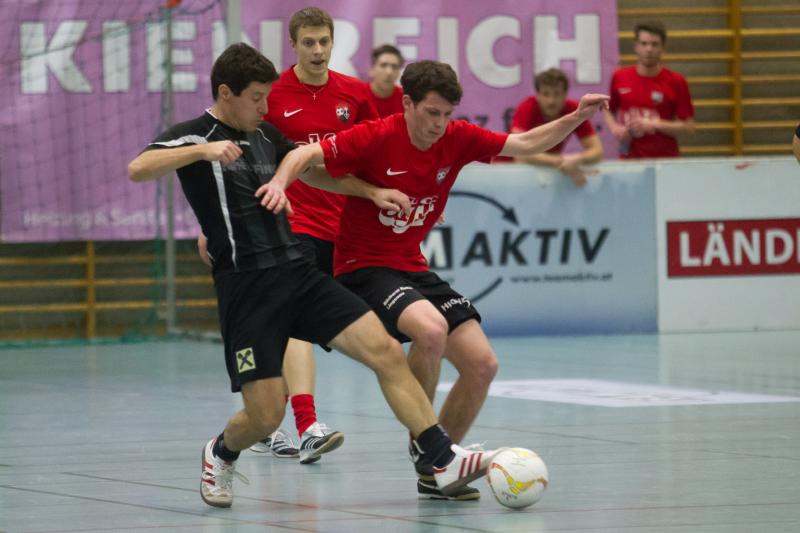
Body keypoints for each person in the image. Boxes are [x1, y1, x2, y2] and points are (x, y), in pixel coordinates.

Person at [128, 43, 499, 509]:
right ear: (225, 93)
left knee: (385, 351)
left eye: (268, 97)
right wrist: (202, 151)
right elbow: (138, 168)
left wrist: (372, 191)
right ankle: (221, 452)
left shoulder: (266, 135)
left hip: (297, 272)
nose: (265, 108)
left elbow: (316, 173)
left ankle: (439, 458)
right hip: (247, 287)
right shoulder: (194, 135)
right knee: (265, 415)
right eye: (257, 98)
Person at [258, 60, 609, 500]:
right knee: (430, 329)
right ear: (407, 104)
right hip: (363, 267)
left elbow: (523, 142)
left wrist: (576, 117)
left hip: (411, 265)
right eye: (431, 113)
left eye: (446, 114)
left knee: (482, 365)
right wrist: (279, 185)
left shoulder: (456, 138)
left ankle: (433, 472)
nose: (439, 124)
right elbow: (304, 156)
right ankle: (428, 441)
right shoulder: (377, 135)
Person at [246, 6, 379, 465]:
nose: (318, 50)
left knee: (294, 327)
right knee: (296, 320)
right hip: (289, 224)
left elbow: (377, 152)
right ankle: (307, 426)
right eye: (309, 43)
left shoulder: (356, 94)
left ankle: (263, 422)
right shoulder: (274, 95)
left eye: (324, 41)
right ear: (293, 45)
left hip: (345, 231)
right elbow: (251, 157)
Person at [603, 21, 695, 158]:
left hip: (665, 160)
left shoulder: (677, 81)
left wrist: (654, 124)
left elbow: (688, 127)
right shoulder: (619, 77)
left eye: (655, 44)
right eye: (644, 43)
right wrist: (616, 128)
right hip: (629, 160)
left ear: (663, 48)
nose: (649, 49)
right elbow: (608, 110)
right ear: (636, 46)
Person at [509, 68, 603, 186]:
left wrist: (577, 159)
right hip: (507, 169)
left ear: (565, 94)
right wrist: (562, 162)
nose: (551, 101)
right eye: (546, 94)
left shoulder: (574, 112)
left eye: (557, 94)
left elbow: (597, 151)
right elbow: (518, 153)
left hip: (545, 168)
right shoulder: (527, 108)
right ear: (537, 95)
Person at [365, 44, 405, 117]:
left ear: (399, 72)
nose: (389, 72)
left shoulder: (406, 100)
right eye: (383, 65)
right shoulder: (357, 96)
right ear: (372, 69)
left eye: (394, 67)